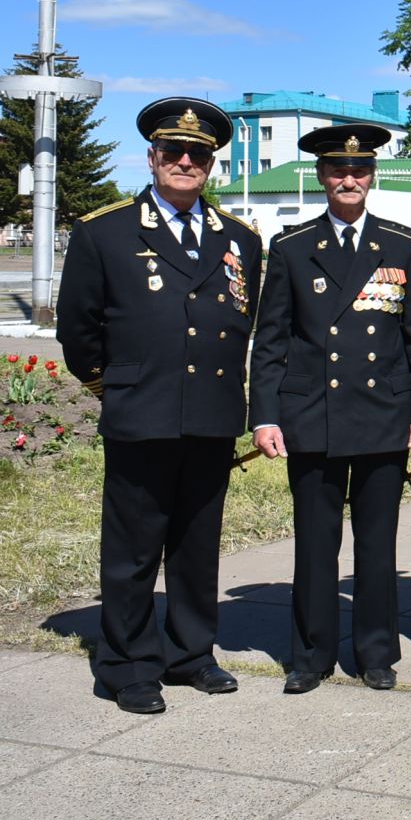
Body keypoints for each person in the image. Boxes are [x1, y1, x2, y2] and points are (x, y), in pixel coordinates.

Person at [56, 97, 264, 715]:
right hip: (141, 414)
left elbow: (244, 320)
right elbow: (79, 332)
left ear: (211, 164)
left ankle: (191, 654)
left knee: (199, 544)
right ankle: (128, 664)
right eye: (172, 151)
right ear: (151, 157)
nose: (184, 161)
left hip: (211, 413)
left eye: (197, 154)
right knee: (133, 549)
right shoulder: (105, 231)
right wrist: (117, 389)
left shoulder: (240, 239)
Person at [249, 123, 411, 694]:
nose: (348, 178)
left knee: (377, 545)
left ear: (372, 177)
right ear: (321, 176)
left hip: (383, 414)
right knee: (315, 543)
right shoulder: (290, 247)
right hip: (312, 416)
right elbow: (273, 341)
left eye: (358, 170)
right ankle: (310, 655)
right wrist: (265, 415)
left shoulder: (403, 246)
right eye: (337, 170)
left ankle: (376, 651)